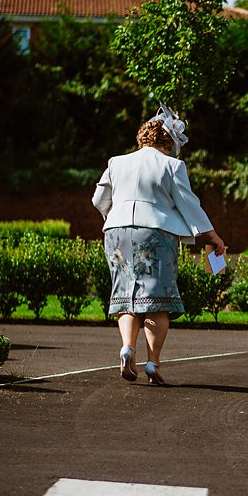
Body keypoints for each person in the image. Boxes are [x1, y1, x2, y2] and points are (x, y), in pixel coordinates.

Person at [92, 105, 225, 386]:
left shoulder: (116, 162)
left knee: (126, 295)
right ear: (169, 142)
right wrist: (212, 236)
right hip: (155, 233)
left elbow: (98, 200)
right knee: (157, 302)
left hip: (116, 231)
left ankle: (127, 347)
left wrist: (116, 215)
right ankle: (153, 363)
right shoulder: (173, 166)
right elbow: (188, 203)